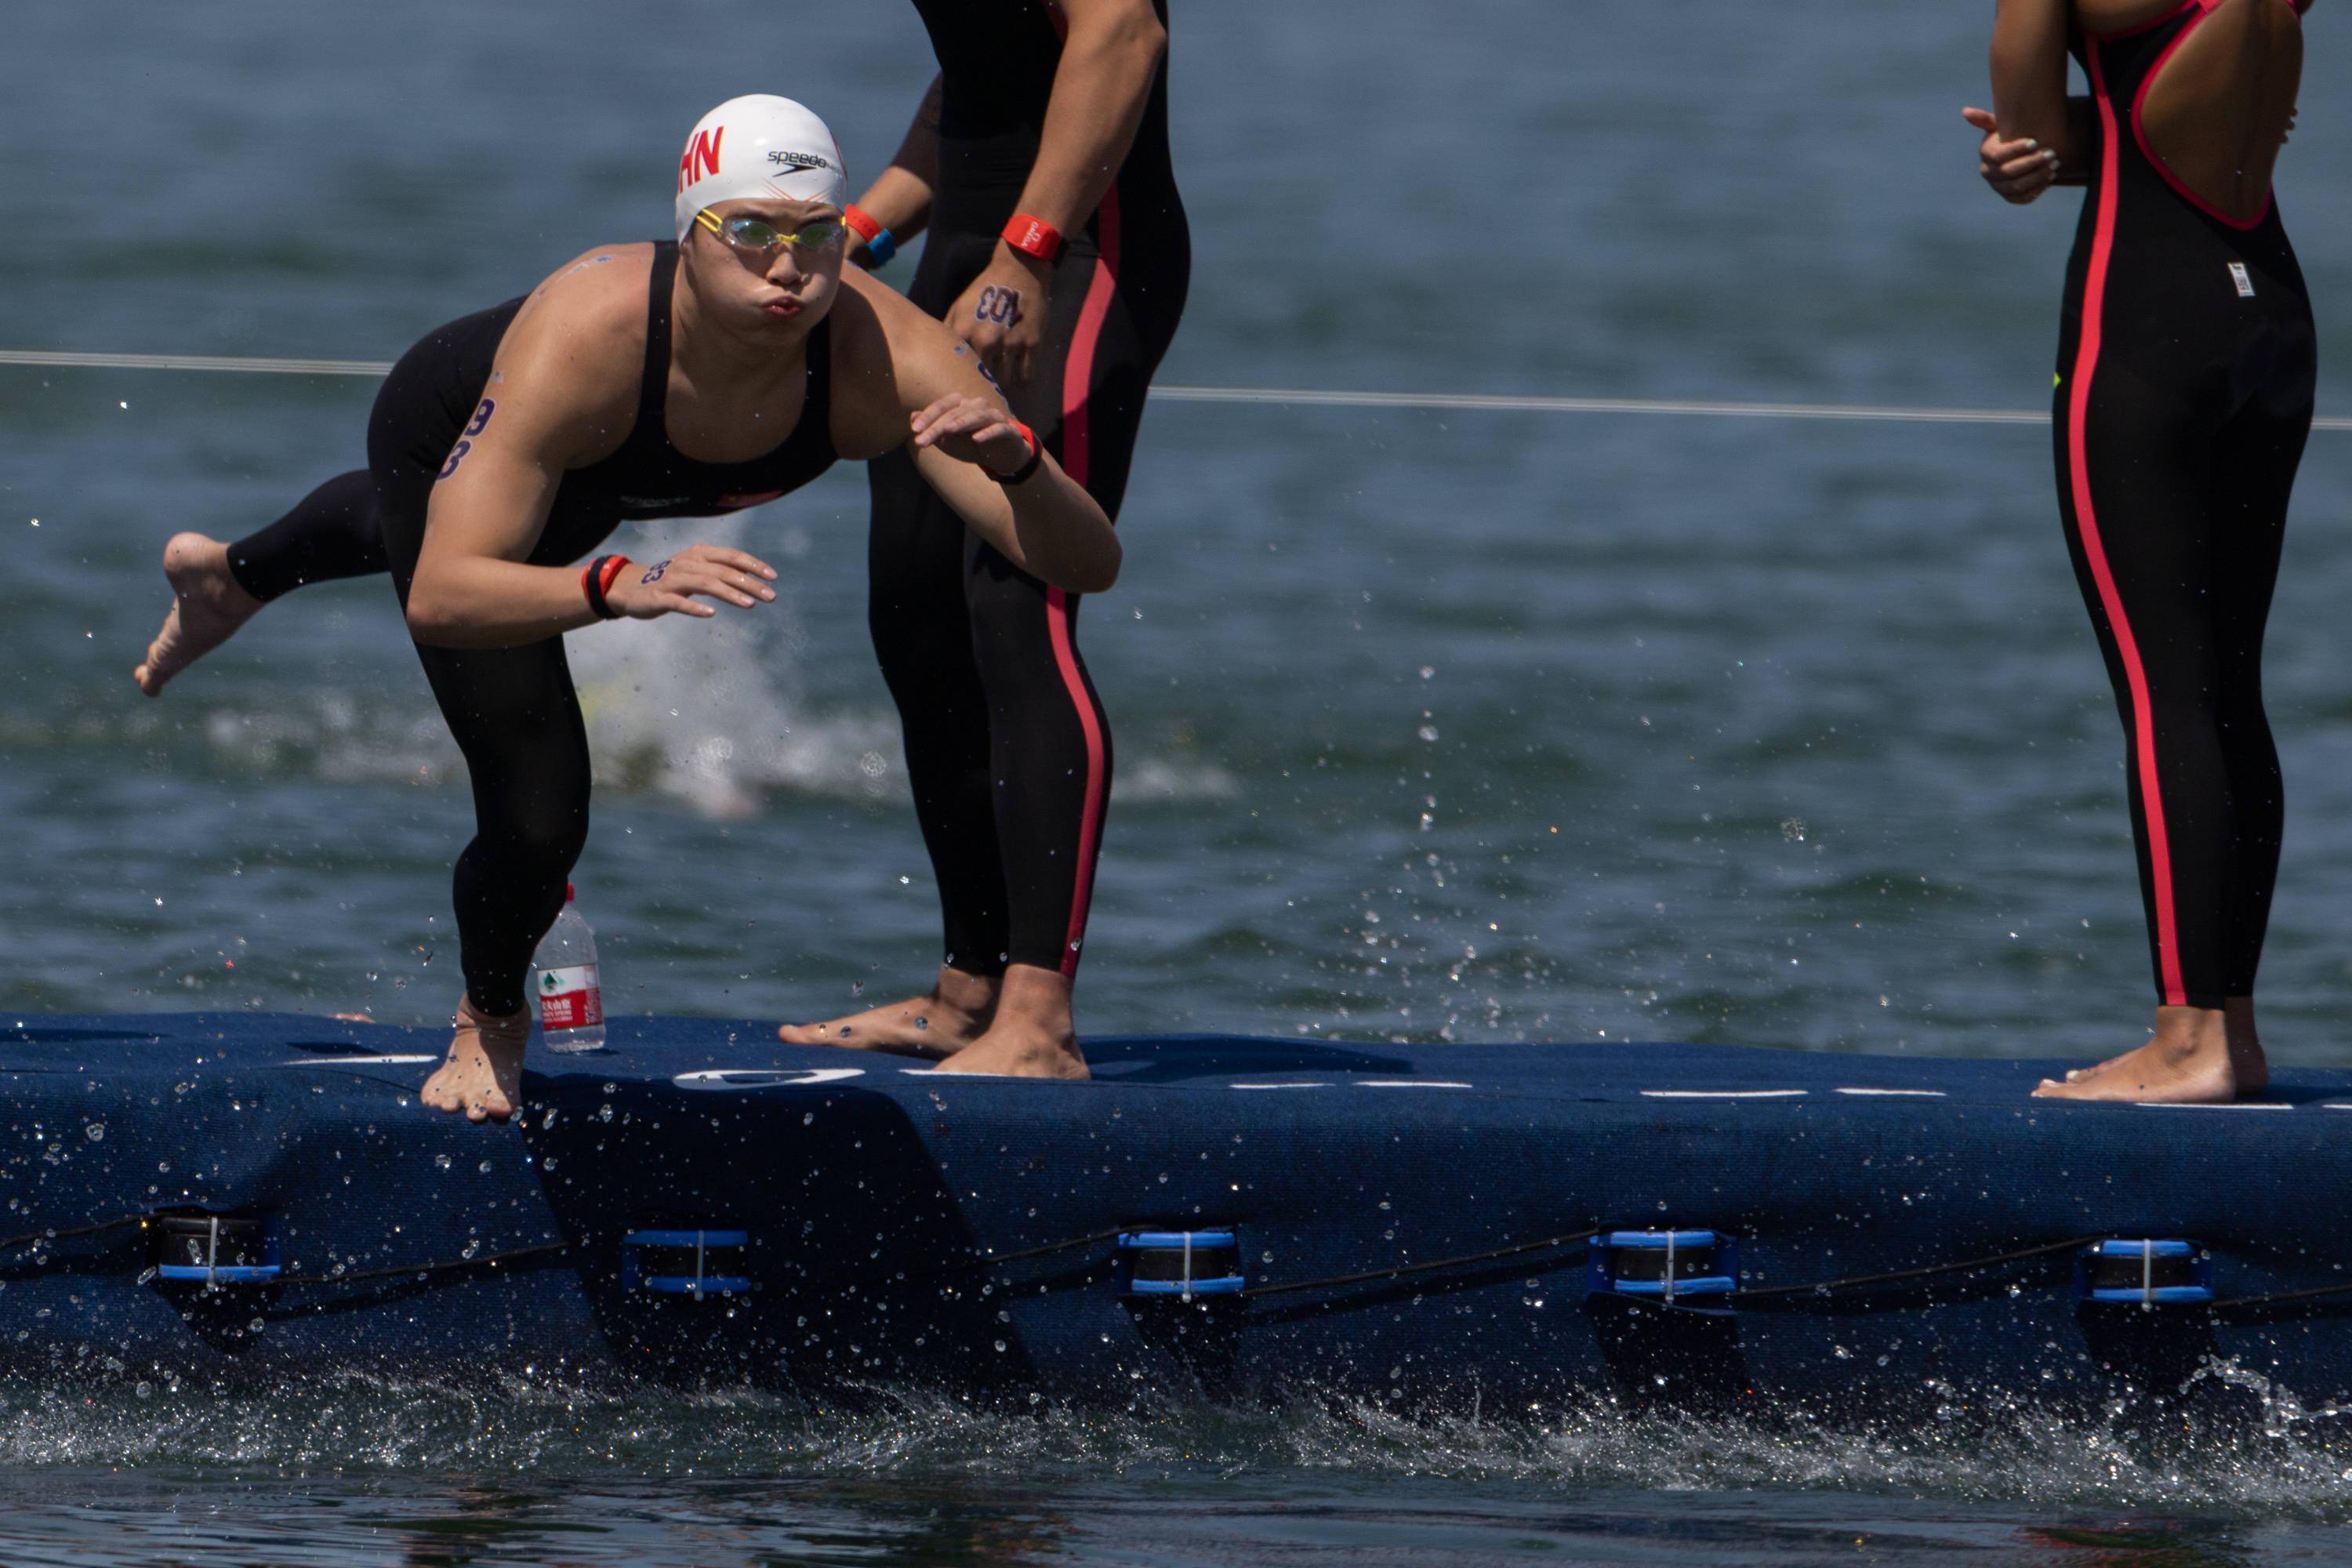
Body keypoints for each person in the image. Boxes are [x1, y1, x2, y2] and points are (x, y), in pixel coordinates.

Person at [136, 95, 1122, 1112]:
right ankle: (489, 1022)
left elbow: (1087, 564)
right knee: (539, 805)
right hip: (456, 436)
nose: (786, 268)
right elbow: (441, 596)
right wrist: (616, 586)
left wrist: (1023, 469)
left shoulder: (888, 357)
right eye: (747, 233)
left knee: (479, 529)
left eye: (815, 237)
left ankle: (230, 577)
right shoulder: (590, 331)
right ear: (687, 233)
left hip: (598, 485)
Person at [773, 0, 1187, 1078]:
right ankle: (971, 991)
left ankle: (1039, 1020)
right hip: (970, 244)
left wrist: (1029, 255)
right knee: (912, 601)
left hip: (1079, 254)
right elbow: (984, 70)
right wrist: (857, 234)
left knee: (1019, 597)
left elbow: (1122, 36)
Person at [1965, 0, 2316, 1101]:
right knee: (2230, 688)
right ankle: (2236, 1033)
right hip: (2272, 317)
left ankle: (2185, 1040)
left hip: (2148, 321)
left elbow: (2033, 141)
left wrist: (2014, 157)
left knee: (2166, 692)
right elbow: (2234, 117)